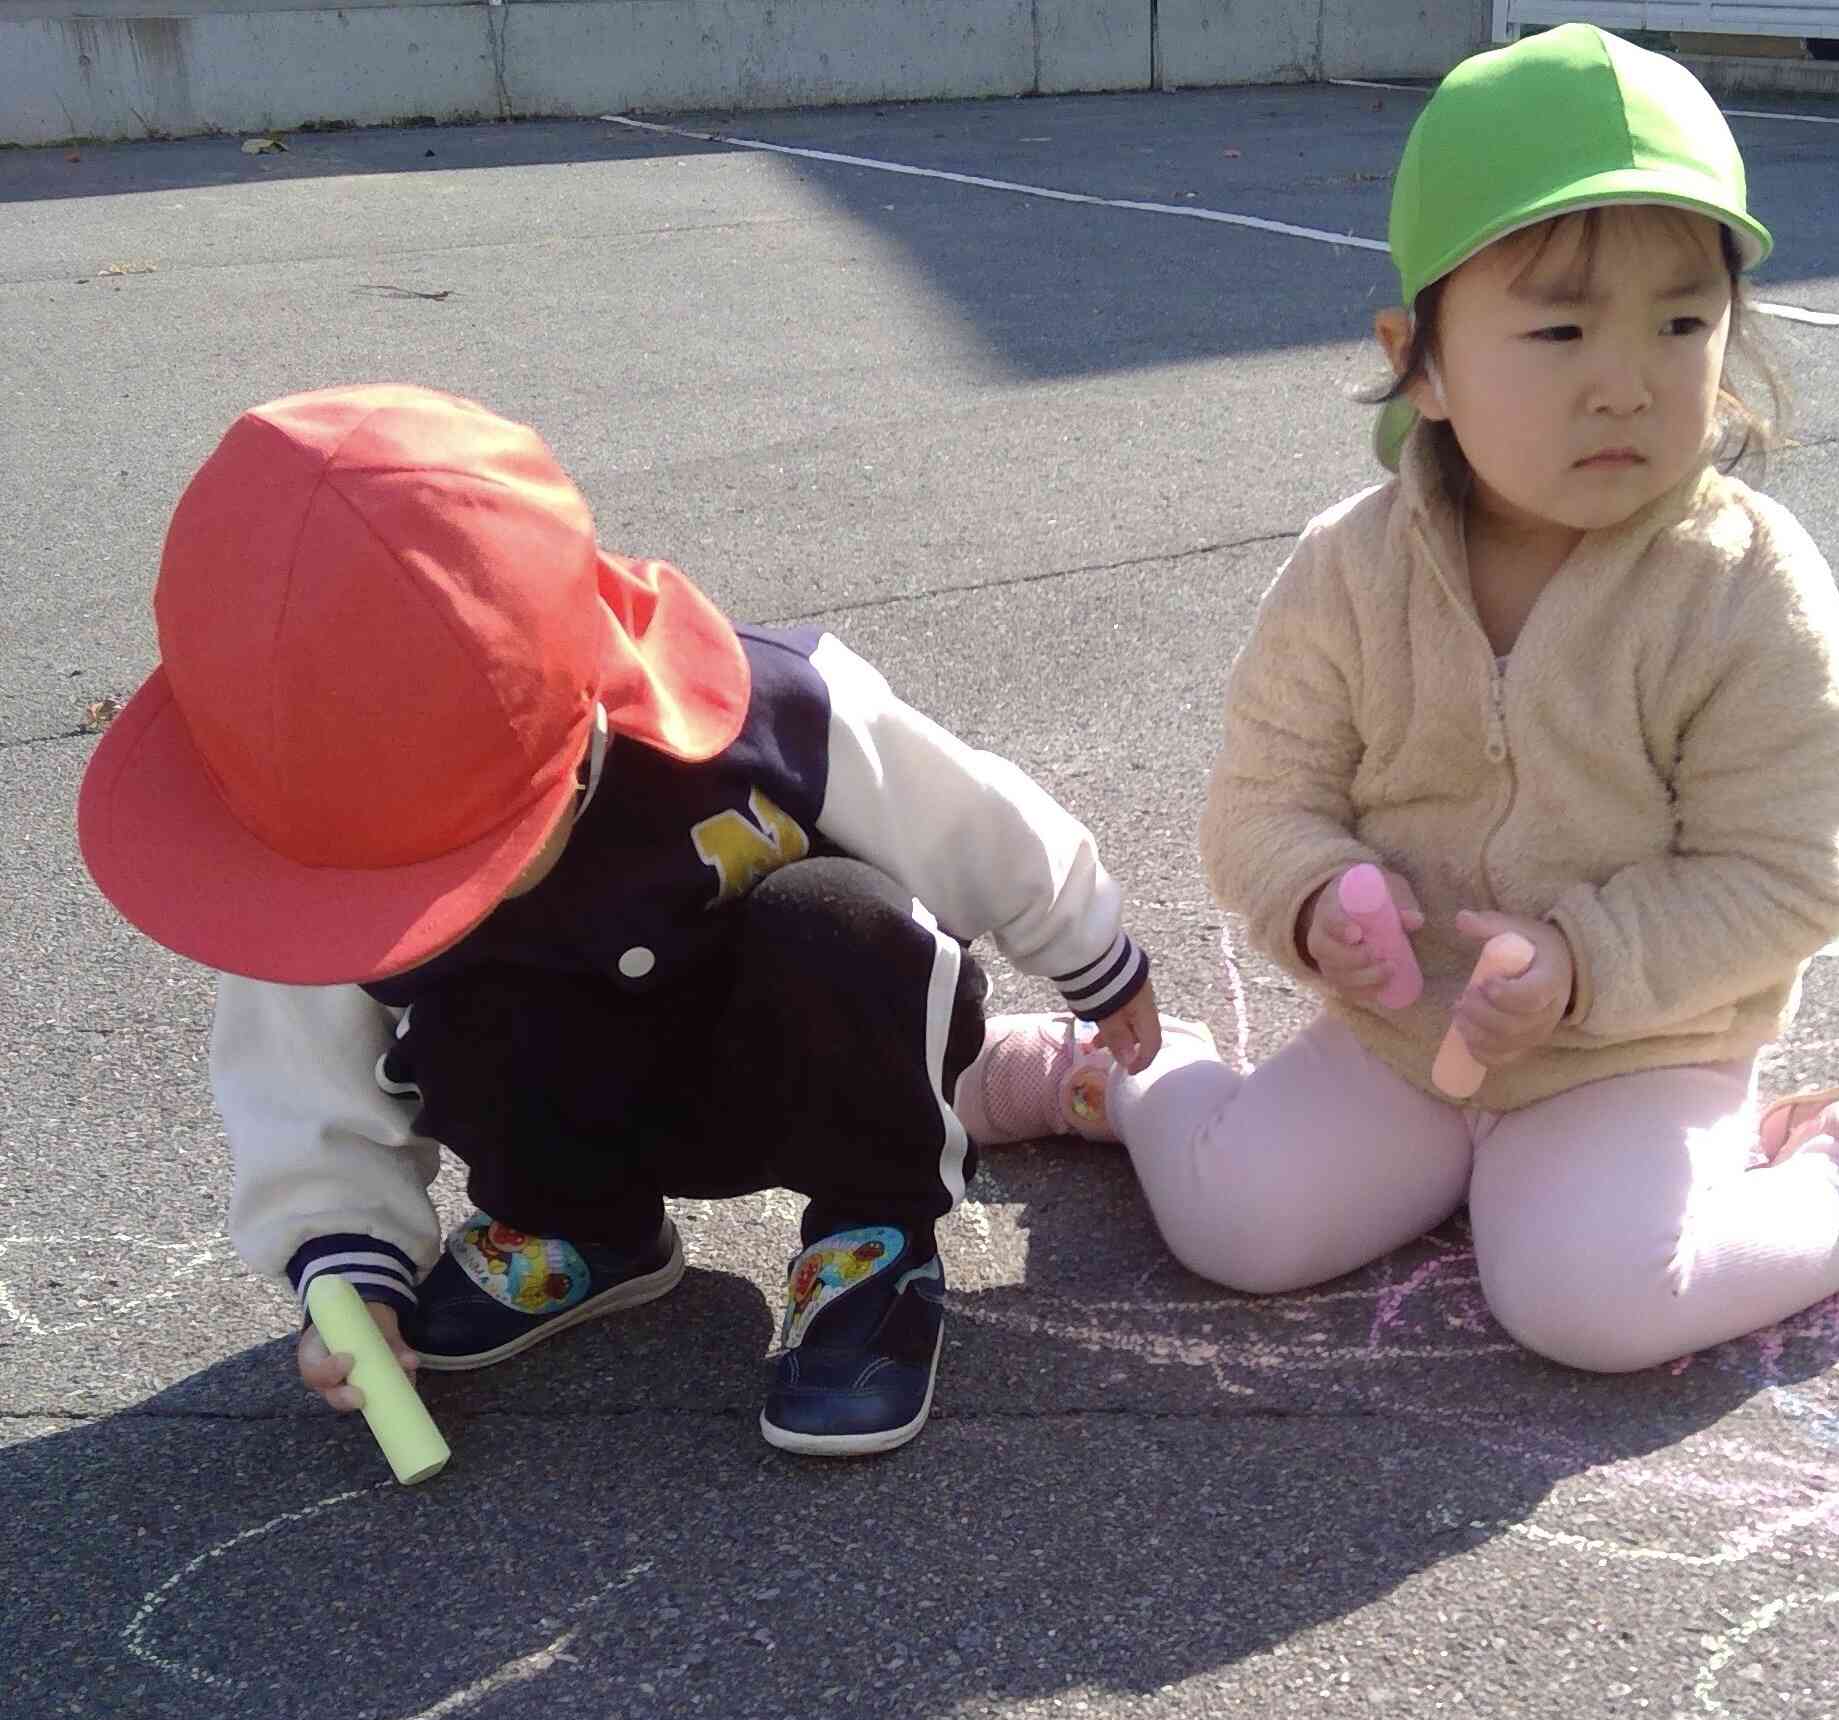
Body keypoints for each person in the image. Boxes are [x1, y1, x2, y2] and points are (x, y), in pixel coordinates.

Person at [951, 26, 1839, 1374]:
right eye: (1560, 328)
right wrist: (1316, 895)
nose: (1626, 381)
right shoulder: (1351, 567)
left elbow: (1784, 874)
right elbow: (1262, 797)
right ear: (1419, 360)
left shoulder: (1744, 590)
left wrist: (1580, 967)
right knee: (1239, 1224)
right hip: (1401, 1029)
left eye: (1681, 322)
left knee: (1589, 1301)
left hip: (1636, 1046)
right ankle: (1120, 1073)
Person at [76, 383, 1162, 1455]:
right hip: (570, 1110)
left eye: (465, 860)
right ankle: (581, 1228)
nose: (428, 898)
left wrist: (1091, 951)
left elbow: (967, 815)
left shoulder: (771, 710)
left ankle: (871, 1239)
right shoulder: (308, 838)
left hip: (781, 1071)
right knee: (467, 988)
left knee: (842, 920)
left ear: (578, 722)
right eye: (391, 887)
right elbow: (300, 1079)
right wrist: (348, 1271)